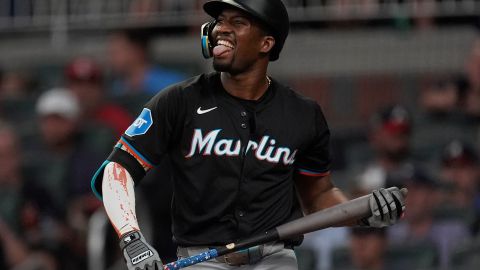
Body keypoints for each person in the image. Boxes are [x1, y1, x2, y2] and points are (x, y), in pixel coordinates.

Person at [91, 1, 406, 269]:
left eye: (237, 22)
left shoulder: (302, 114)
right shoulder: (179, 101)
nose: (220, 29)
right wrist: (132, 239)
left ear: (266, 43)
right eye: (219, 22)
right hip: (201, 259)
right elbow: (117, 170)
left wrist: (365, 212)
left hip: (275, 258)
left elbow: (318, 195)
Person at [107, 28, 186, 96]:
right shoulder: (117, 88)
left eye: (116, 52)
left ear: (136, 51)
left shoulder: (173, 85)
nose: (111, 58)